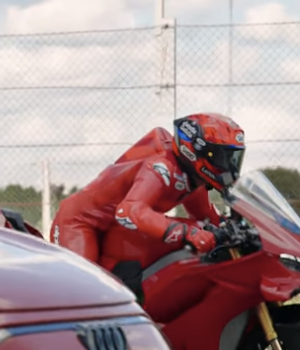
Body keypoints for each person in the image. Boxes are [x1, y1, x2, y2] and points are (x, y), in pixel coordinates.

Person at [49, 113, 246, 264]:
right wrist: (190, 232)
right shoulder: (162, 168)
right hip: (80, 223)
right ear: (196, 150)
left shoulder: (194, 179)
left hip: (115, 229)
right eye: (221, 157)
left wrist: (244, 229)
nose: (228, 166)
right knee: (86, 291)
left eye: (232, 158)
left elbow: (205, 217)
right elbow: (130, 211)